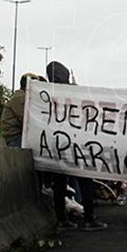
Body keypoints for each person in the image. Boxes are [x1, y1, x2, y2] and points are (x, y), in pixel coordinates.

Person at [45, 61, 107, 232]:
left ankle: (62, 220)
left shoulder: (45, 93)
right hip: (76, 146)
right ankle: (89, 219)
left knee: (59, 186)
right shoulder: (74, 93)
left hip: (56, 147)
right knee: (85, 181)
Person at [1, 72, 40, 147]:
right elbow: (26, 119)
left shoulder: (22, 96)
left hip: (17, 136)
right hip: (15, 137)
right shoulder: (21, 98)